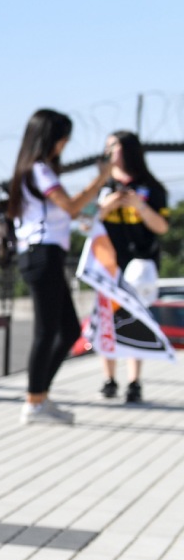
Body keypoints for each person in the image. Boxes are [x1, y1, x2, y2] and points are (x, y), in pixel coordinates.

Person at [9, 110, 111, 424]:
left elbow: (71, 214)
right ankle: (34, 402)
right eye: (63, 139)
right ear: (51, 139)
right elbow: (70, 205)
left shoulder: (33, 171)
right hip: (42, 255)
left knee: (67, 330)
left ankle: (40, 396)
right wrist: (102, 177)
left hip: (45, 255)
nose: (65, 145)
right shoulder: (39, 170)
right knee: (47, 331)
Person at [95, 130, 170, 403]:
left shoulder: (151, 186)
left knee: (135, 320)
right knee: (107, 319)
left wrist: (139, 206)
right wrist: (105, 206)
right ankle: (108, 379)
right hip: (106, 262)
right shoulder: (102, 185)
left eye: (111, 146)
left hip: (139, 265)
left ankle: (134, 381)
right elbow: (84, 221)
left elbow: (161, 226)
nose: (107, 151)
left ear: (126, 149)